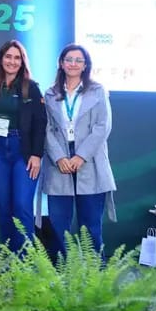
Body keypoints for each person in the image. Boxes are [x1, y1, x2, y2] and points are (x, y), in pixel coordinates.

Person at [41, 44, 116, 258]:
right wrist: (59, 157)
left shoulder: (97, 90)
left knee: (91, 227)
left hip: (90, 160)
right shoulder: (50, 93)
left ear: (85, 65)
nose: (73, 64)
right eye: (69, 59)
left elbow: (103, 126)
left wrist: (81, 156)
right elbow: (46, 128)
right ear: (61, 63)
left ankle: (95, 275)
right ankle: (62, 272)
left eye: (78, 60)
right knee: (59, 226)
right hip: (59, 161)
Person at [0, 40, 47, 253]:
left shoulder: (31, 87)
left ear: (22, 61)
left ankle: (25, 261)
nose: (12, 61)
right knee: (5, 207)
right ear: (1, 59)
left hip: (24, 151)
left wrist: (37, 155)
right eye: (8, 57)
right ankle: (10, 258)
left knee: (22, 205)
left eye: (17, 57)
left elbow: (41, 123)